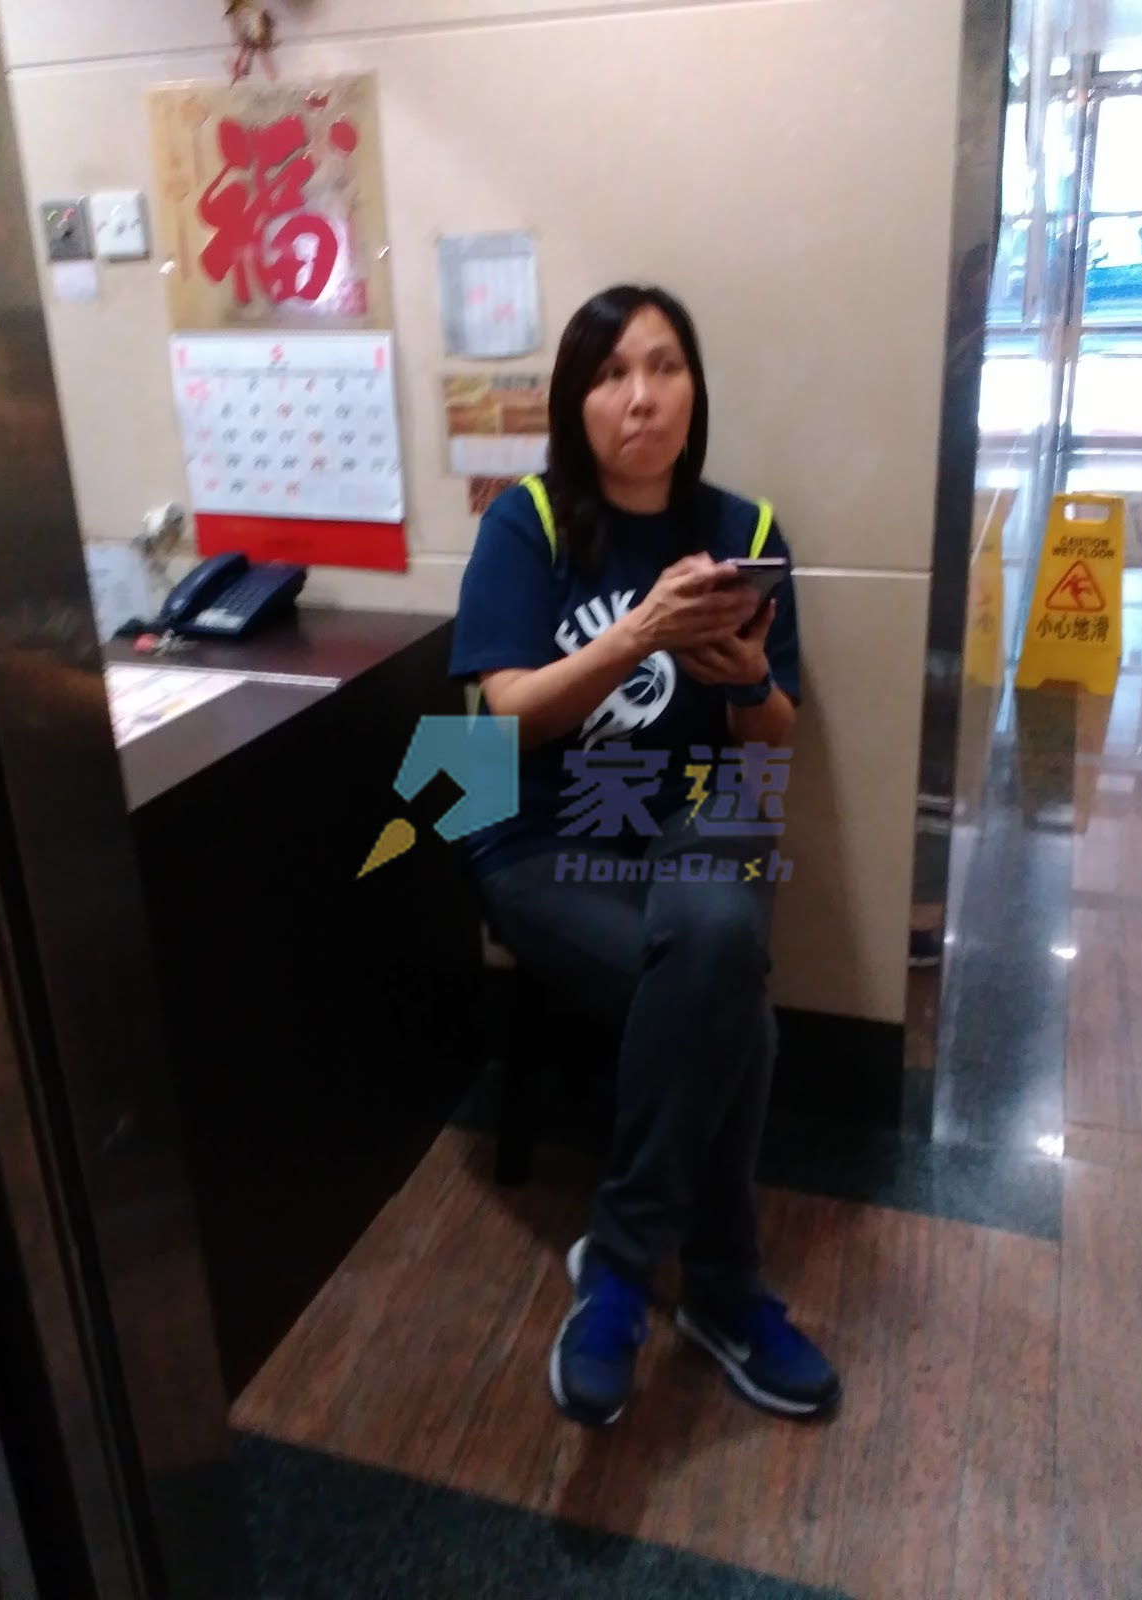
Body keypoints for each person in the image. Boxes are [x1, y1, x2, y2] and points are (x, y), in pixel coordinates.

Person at [449, 285, 840, 1428]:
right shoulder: (525, 522)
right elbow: (501, 721)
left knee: (715, 937)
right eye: (611, 374)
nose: (640, 397)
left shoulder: (747, 535)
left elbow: (775, 740)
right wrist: (639, 635)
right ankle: (720, 1291)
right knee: (732, 1005)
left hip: (695, 810)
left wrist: (748, 680)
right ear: (576, 403)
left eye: (664, 367)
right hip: (536, 826)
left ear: (694, 390)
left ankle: (618, 1268)